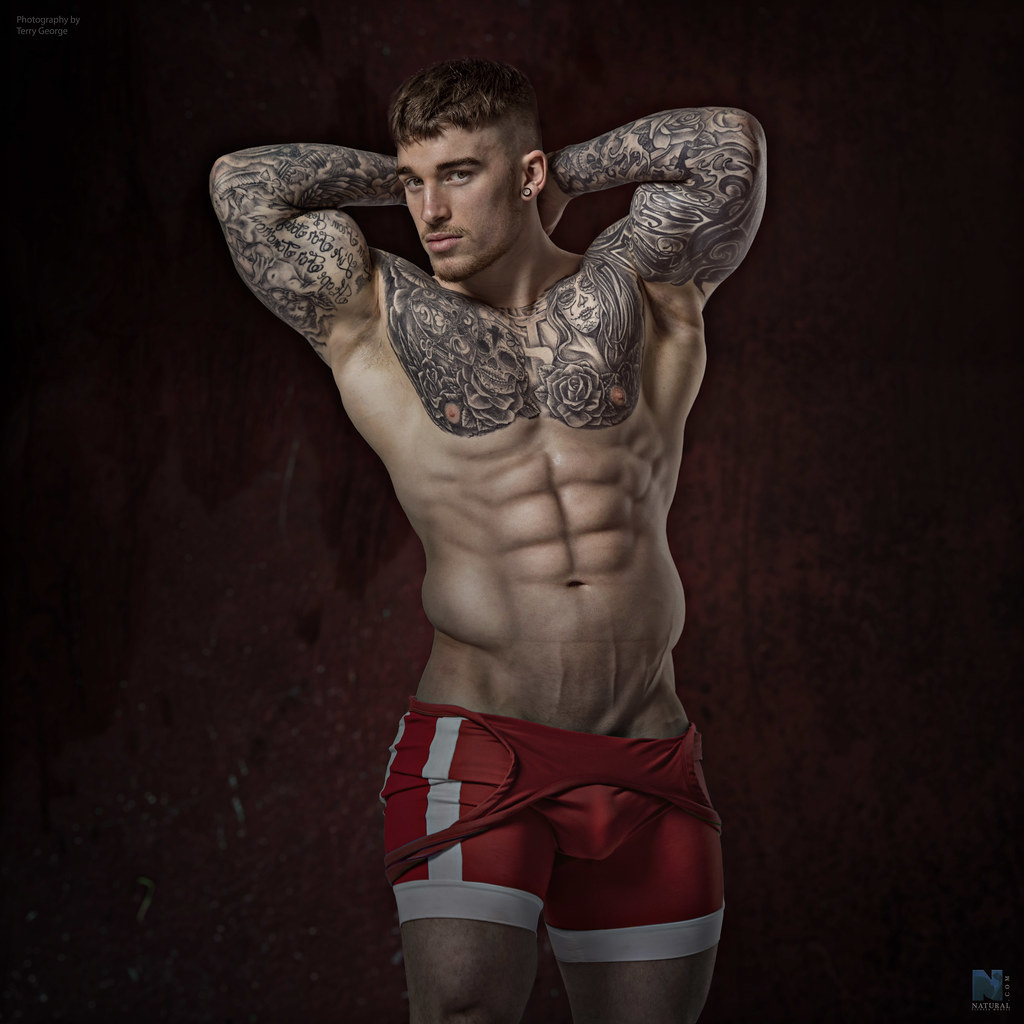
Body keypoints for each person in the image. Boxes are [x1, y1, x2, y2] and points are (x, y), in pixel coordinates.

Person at [210, 57, 765, 1024]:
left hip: (647, 753)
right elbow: (241, 184)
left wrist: (556, 172)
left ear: (528, 173)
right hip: (477, 750)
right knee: (464, 1012)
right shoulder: (374, 313)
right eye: (412, 182)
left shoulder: (640, 288)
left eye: (459, 175)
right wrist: (417, 172)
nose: (428, 210)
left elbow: (728, 145)